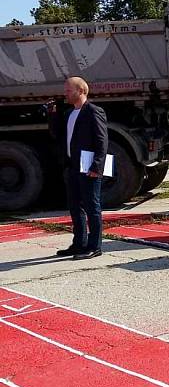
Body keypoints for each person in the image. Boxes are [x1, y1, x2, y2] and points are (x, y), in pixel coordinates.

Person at [52, 76, 108, 260]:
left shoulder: (93, 111)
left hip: (89, 166)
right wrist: (52, 115)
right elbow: (58, 135)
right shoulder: (69, 113)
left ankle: (95, 246)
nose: (65, 94)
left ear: (81, 91)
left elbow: (102, 141)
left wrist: (97, 166)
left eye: (69, 90)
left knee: (92, 206)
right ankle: (79, 243)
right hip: (73, 166)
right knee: (75, 206)